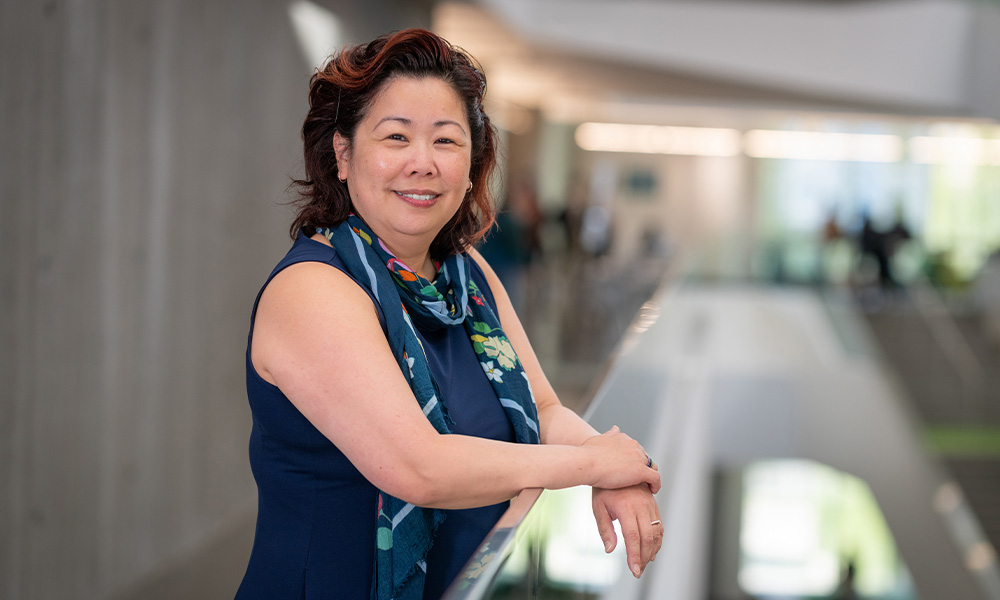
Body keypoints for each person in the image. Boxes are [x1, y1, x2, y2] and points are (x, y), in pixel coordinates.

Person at [235, 29, 662, 600]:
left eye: (446, 140)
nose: (423, 163)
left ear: (472, 162)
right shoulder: (314, 288)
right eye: (395, 137)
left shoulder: (469, 276)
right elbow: (419, 468)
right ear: (343, 154)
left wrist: (615, 467)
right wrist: (592, 468)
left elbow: (541, 408)